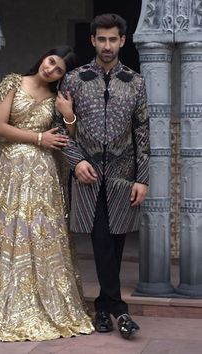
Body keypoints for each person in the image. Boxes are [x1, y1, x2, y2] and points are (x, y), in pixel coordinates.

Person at [0, 45, 94, 341]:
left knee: (42, 234)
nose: (51, 69)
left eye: (59, 69)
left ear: (62, 76)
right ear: (43, 57)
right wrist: (39, 137)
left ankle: (46, 302)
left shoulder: (56, 100)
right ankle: (5, 303)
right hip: (13, 171)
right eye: (51, 61)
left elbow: (65, 139)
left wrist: (68, 116)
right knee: (11, 231)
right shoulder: (14, 82)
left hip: (44, 176)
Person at [55, 14, 150, 339]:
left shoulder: (135, 82)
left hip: (124, 177)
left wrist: (143, 178)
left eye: (113, 39)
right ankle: (118, 310)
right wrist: (75, 161)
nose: (107, 45)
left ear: (122, 41)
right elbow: (60, 127)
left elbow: (142, 131)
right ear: (93, 40)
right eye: (102, 39)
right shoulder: (74, 80)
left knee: (117, 240)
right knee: (100, 241)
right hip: (88, 175)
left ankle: (103, 308)